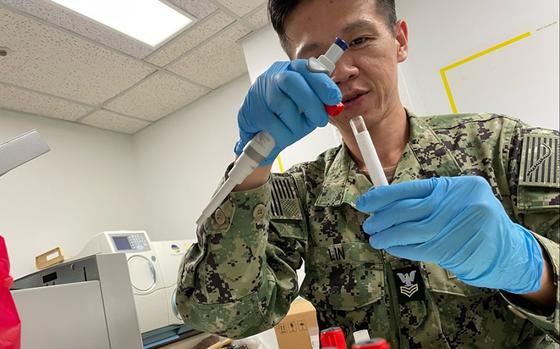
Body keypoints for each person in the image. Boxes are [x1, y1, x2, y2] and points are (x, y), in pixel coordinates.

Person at [176, 0, 559, 347]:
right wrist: (253, 160)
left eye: (358, 40)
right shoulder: (298, 193)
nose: (340, 70)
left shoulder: (505, 147)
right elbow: (222, 316)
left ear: (400, 41)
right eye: (316, 59)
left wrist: (532, 269)